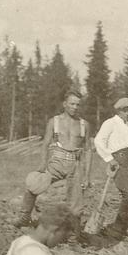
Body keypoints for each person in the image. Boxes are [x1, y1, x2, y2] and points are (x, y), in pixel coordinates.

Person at [18, 91, 91, 226]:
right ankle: (24, 217)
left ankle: (73, 239)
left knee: (76, 204)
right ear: (64, 104)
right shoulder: (54, 121)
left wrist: (86, 175)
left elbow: (88, 150)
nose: (75, 107)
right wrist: (42, 164)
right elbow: (45, 144)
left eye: (78, 104)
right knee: (34, 184)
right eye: (72, 104)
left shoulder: (83, 124)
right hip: (56, 162)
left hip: (75, 165)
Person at [93, 97, 128, 237]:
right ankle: (117, 227)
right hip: (119, 159)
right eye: (125, 110)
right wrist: (109, 158)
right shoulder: (110, 123)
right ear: (119, 110)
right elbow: (98, 141)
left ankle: (125, 227)